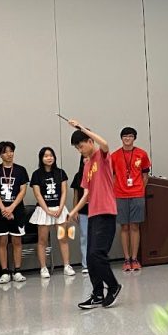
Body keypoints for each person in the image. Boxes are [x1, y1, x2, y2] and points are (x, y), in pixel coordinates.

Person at [66, 120, 122, 310]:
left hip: (106, 212)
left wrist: (81, 128)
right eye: (77, 148)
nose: (80, 150)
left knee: (98, 254)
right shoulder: (87, 166)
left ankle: (113, 286)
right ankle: (97, 293)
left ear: (90, 141)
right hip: (92, 214)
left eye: (81, 145)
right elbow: (87, 194)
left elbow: (105, 143)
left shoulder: (102, 156)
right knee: (90, 257)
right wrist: (73, 211)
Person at [110, 127, 151, 273]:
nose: (127, 138)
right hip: (120, 195)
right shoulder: (114, 155)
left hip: (137, 194)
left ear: (134, 138)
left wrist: (140, 189)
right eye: (125, 136)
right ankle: (126, 259)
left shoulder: (142, 154)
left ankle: (134, 258)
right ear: (121, 138)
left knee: (135, 226)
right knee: (124, 227)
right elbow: (112, 176)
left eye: (130, 136)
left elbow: (145, 175)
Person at [29, 147, 72, 280]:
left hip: (60, 209)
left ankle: (67, 266)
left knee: (63, 238)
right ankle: (43, 268)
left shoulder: (60, 173)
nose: (49, 158)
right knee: (42, 240)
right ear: (41, 158)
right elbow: (37, 194)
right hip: (43, 210)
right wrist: (47, 210)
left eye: (51, 155)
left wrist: (60, 208)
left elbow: (64, 191)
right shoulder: (36, 174)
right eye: (46, 156)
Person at [0, 141, 28, 284]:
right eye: (5, 152)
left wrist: (11, 208)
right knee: (2, 241)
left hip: (17, 211)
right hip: (0, 212)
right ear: (0, 154)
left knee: (17, 241)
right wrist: (4, 209)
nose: (9, 154)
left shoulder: (21, 170)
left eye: (11, 151)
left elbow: (23, 190)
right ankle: (5, 271)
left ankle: (17, 270)